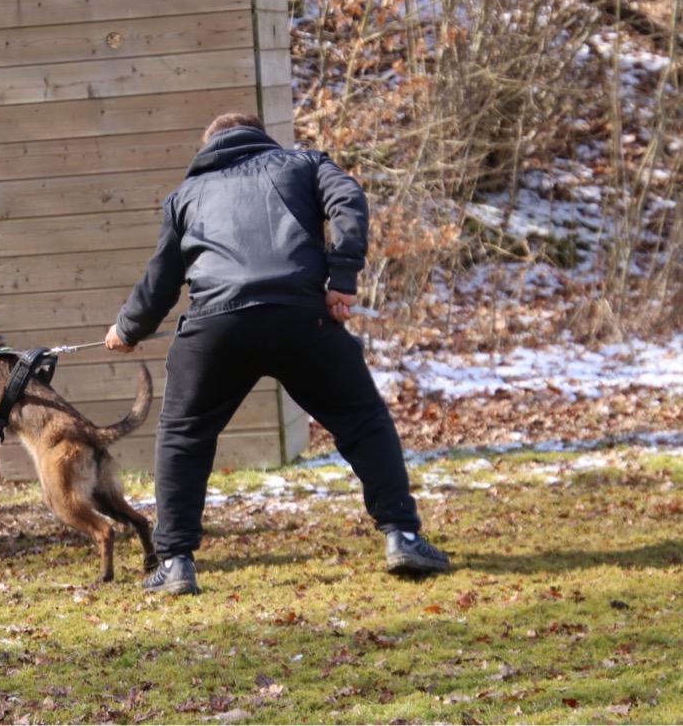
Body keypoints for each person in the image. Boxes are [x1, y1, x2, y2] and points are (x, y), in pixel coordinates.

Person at [104, 112, 450, 595]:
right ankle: (403, 536)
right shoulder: (304, 164)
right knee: (362, 419)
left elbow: (161, 280)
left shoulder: (185, 197)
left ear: (209, 146)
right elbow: (348, 198)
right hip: (301, 318)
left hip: (215, 328)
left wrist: (128, 328)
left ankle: (176, 562)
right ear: (260, 136)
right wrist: (342, 279)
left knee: (183, 435)